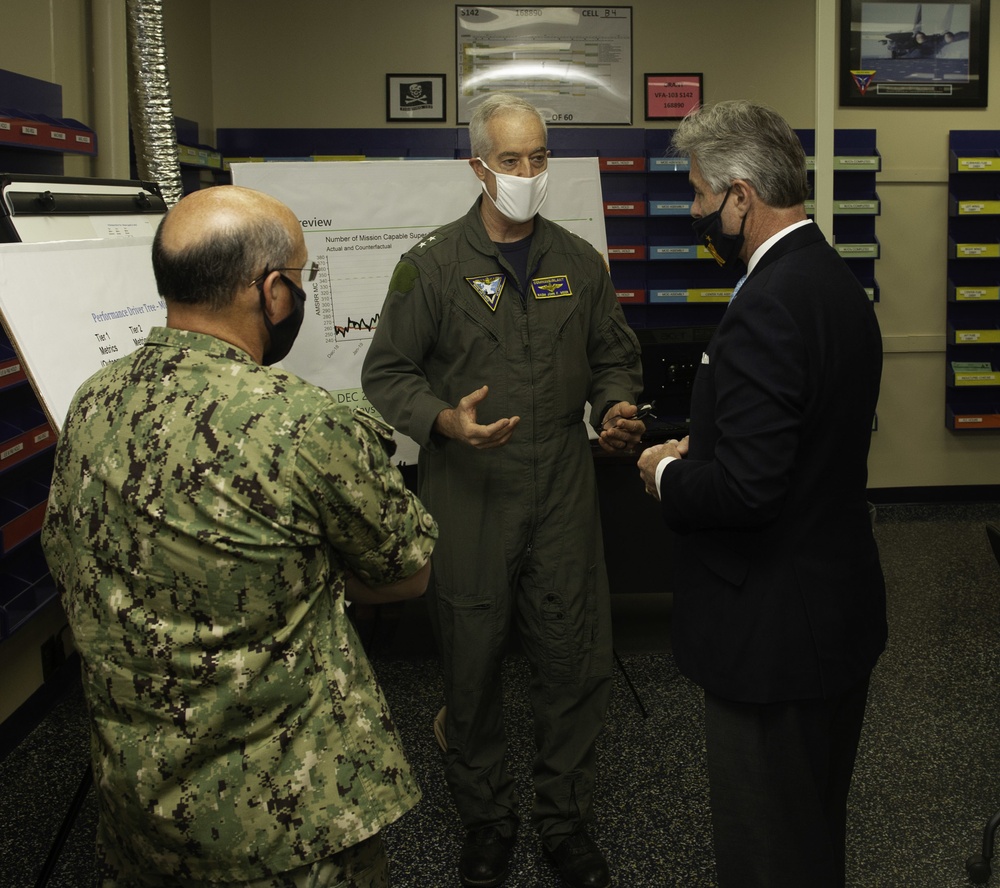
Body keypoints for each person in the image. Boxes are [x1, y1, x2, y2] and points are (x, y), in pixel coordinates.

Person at [41, 185, 439, 888]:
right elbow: (407, 571)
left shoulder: (92, 399)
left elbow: (72, 554)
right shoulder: (304, 422)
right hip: (287, 824)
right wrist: (298, 574)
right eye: (301, 278)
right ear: (272, 290)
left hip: (141, 809)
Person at [361, 93, 644, 888]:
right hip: (471, 488)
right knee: (472, 658)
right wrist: (443, 421)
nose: (528, 174)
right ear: (479, 166)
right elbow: (384, 373)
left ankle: (565, 820)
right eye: (512, 161)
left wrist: (614, 408)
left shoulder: (579, 263)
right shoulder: (432, 265)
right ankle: (486, 819)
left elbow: (612, 358)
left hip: (560, 484)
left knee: (572, 655)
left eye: (539, 158)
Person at [637, 100, 887, 888]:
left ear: (742, 196)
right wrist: (710, 448)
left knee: (769, 854)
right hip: (834, 612)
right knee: (812, 834)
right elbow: (799, 443)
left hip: (775, 638)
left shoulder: (769, 304)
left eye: (702, 194)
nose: (696, 211)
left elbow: (748, 492)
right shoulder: (834, 283)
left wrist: (668, 471)